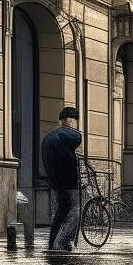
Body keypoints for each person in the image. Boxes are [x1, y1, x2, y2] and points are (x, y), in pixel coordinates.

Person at [40, 106, 82, 252]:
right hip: (69, 180)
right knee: (76, 210)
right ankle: (63, 241)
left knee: (61, 210)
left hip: (55, 179)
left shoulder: (50, 137)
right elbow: (77, 139)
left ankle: (53, 243)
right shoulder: (71, 135)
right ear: (71, 120)